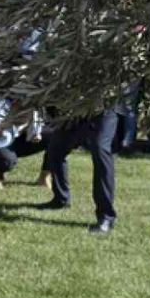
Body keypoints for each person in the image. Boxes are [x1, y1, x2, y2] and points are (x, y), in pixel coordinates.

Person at [40, 100, 122, 235]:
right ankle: (60, 200)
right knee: (56, 148)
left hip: (103, 107)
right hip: (76, 108)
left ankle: (106, 217)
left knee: (100, 149)